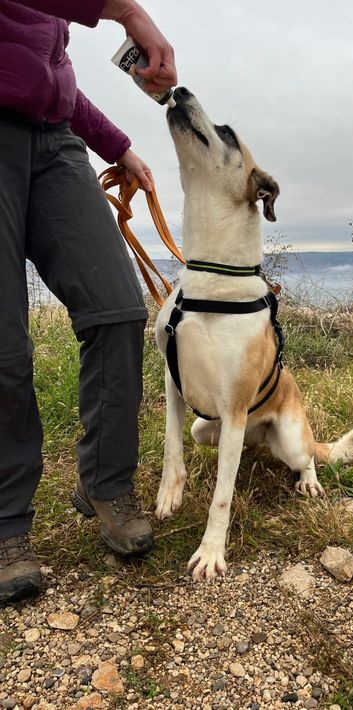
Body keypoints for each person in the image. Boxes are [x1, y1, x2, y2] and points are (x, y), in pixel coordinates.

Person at [0, 0, 178, 603]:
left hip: (54, 142)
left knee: (118, 311)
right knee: (3, 348)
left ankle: (105, 483)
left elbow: (46, 76)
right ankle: (6, 522)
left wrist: (118, 147)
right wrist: (124, 11)